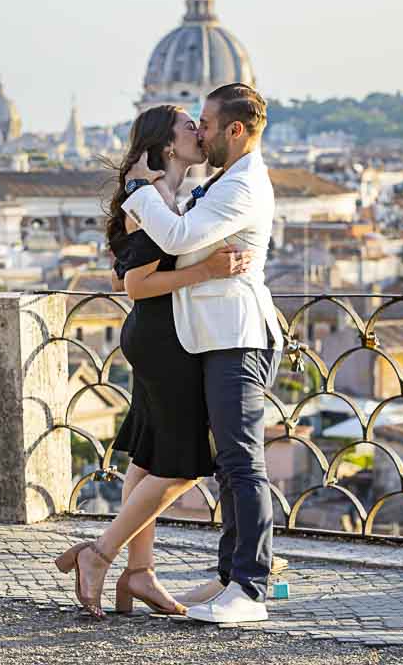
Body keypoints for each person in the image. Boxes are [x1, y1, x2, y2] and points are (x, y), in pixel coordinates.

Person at [54, 104, 252, 619]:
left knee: (145, 463)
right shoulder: (154, 197)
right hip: (165, 340)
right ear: (167, 146)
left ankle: (139, 575)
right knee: (183, 467)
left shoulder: (169, 197)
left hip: (160, 336)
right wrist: (206, 270)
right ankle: (100, 555)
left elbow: (127, 276)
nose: (200, 132)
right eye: (191, 126)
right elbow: (135, 286)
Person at [122, 83, 283, 624]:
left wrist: (139, 190)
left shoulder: (241, 186)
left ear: (234, 129)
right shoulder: (223, 180)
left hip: (237, 335)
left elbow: (179, 236)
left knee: (241, 460)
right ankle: (229, 577)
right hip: (213, 336)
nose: (201, 132)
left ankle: (251, 588)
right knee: (229, 462)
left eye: (208, 124)